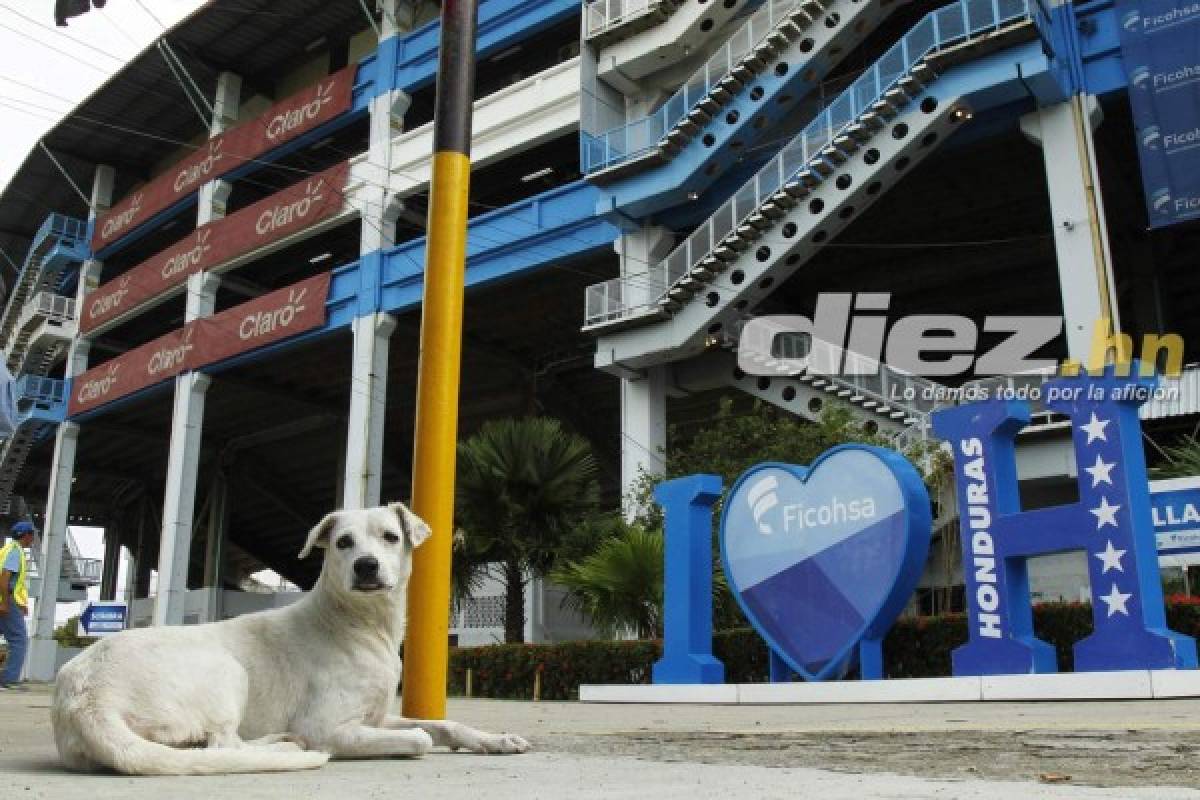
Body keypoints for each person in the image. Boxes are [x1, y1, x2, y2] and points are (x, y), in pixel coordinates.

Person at [0, 521, 37, 690]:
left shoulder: (6, 550)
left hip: (8, 600)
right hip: (6, 601)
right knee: (19, 640)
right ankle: (9, 680)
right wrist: (6, 603)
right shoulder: (15, 552)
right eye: (32, 534)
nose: (34, 538)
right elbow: (5, 577)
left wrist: (22, 604)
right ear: (26, 535)